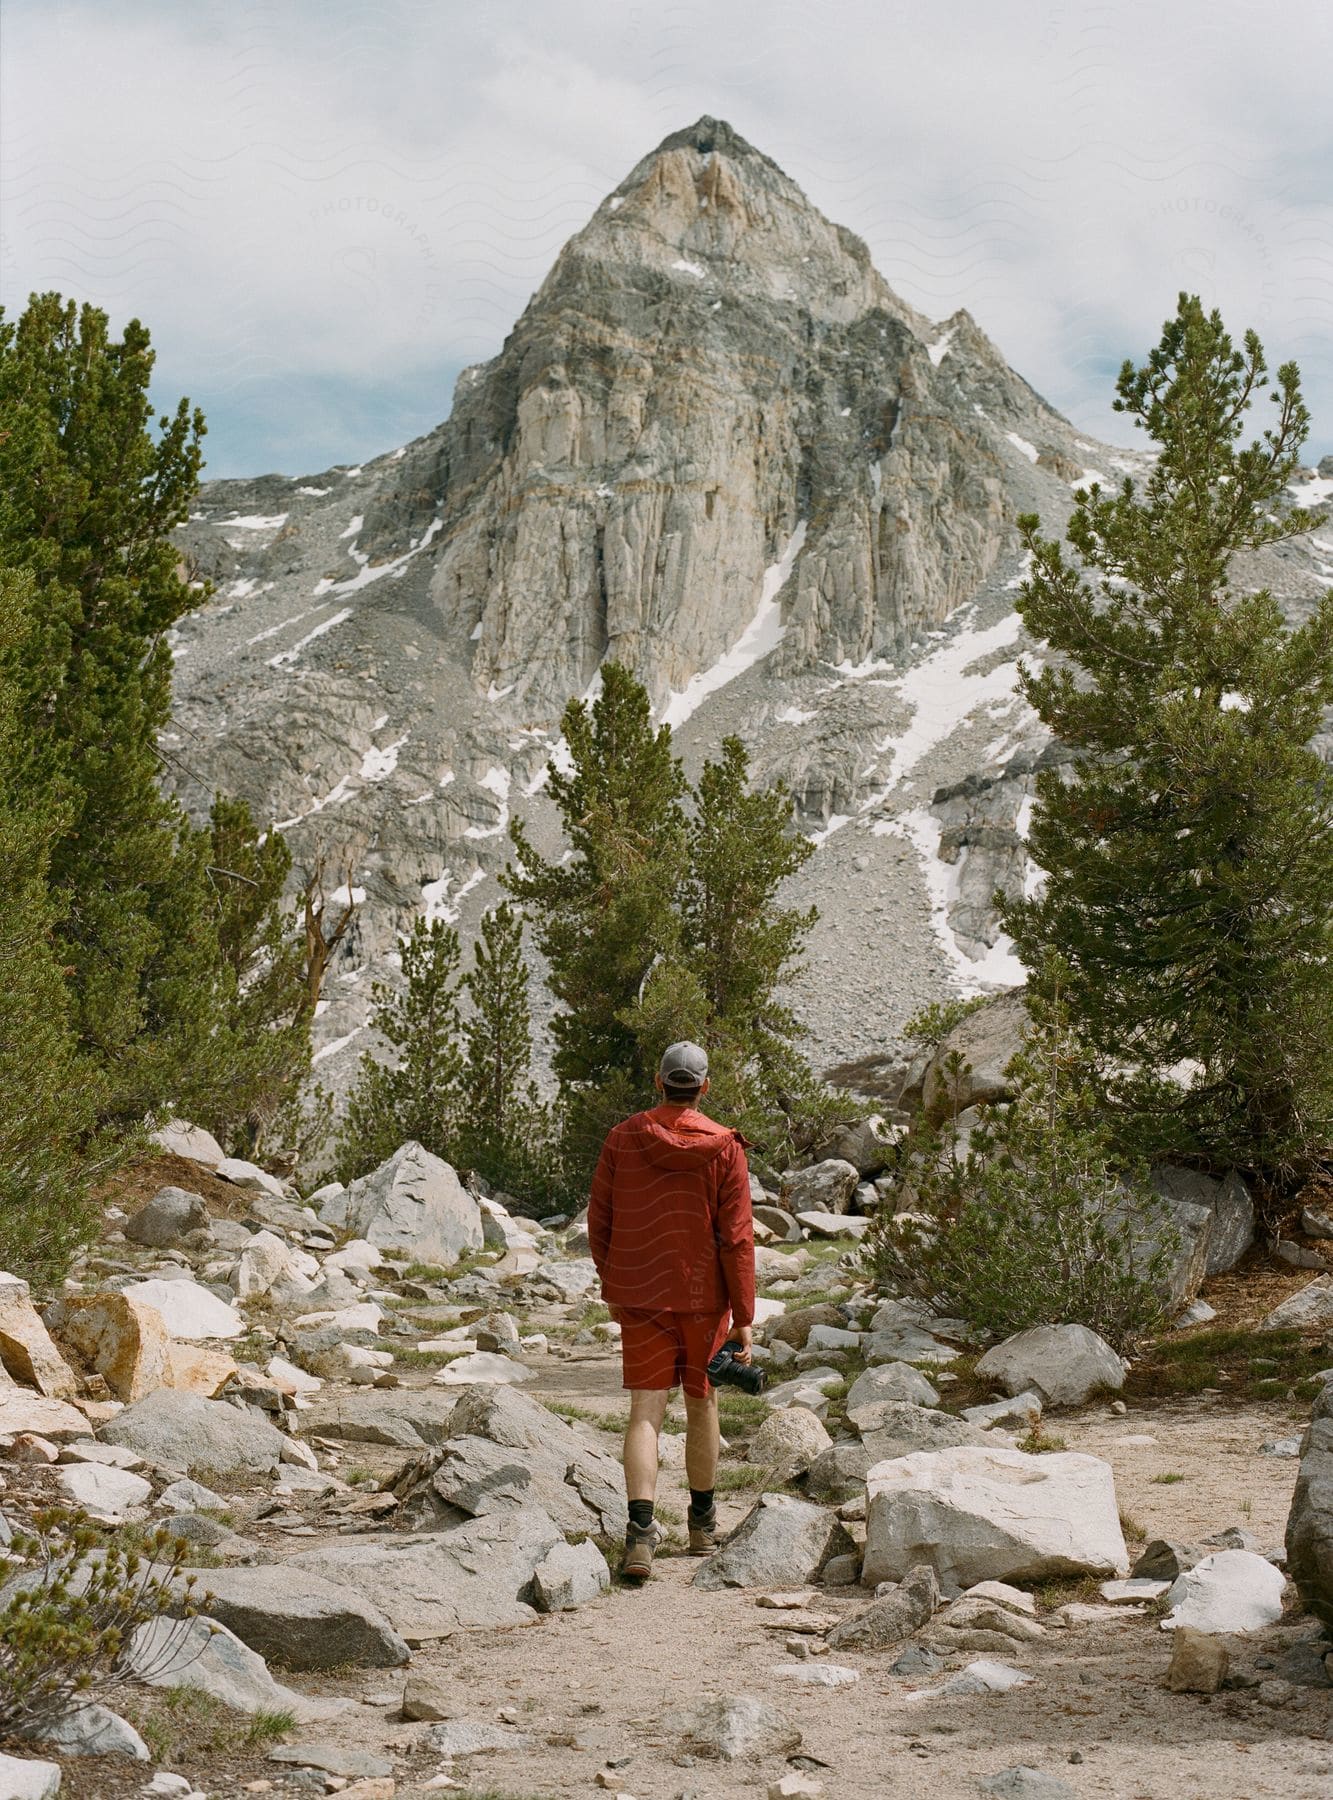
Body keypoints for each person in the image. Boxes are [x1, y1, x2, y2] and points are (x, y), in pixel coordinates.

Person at [587, 1040, 756, 1584]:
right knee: (702, 1404)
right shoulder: (725, 1146)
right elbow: (737, 1239)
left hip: (639, 1292)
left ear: (659, 1082)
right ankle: (702, 1528)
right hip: (704, 1297)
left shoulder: (622, 1137)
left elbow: (600, 1219)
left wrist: (615, 1280)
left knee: (644, 1413)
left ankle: (640, 1537)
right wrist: (745, 1314)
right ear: (704, 1087)